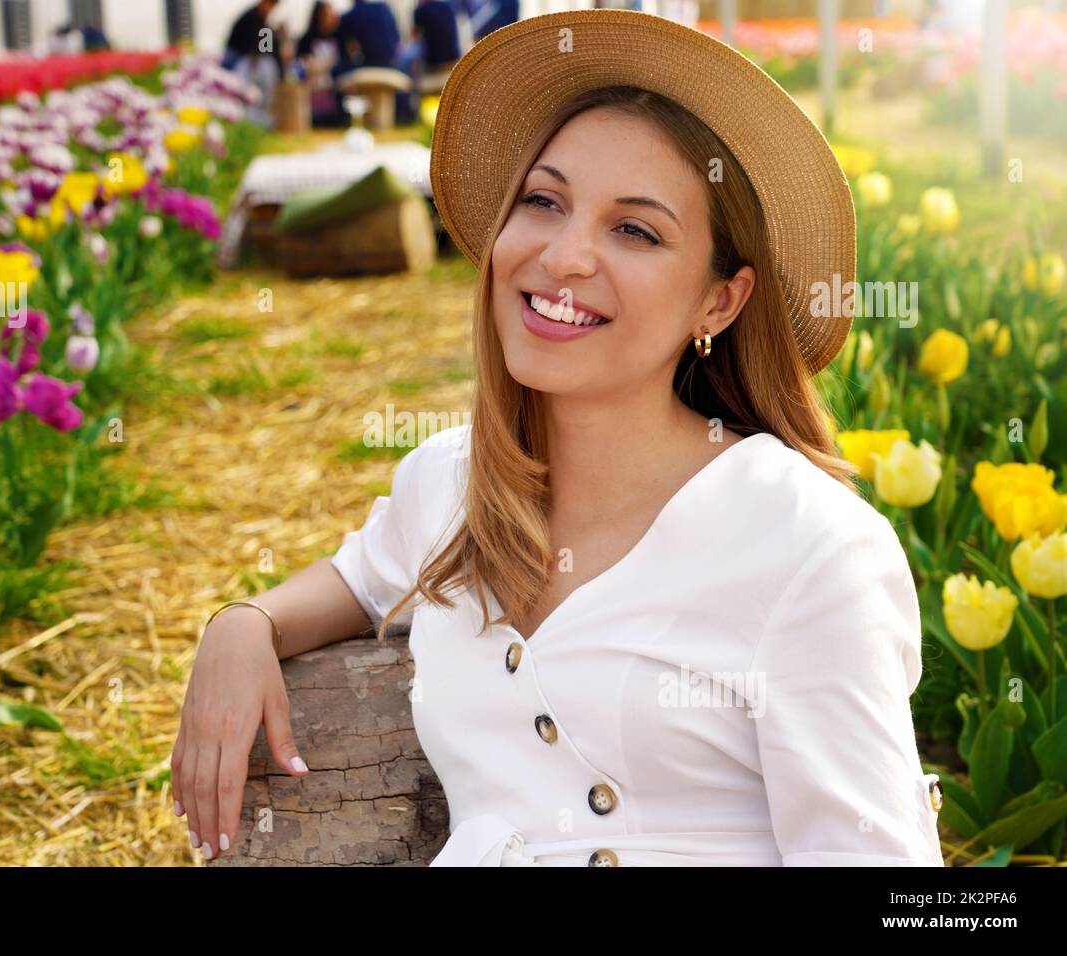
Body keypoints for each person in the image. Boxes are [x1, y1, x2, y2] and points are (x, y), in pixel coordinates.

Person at [171, 10, 946, 867]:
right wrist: (240, 625)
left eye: (635, 230)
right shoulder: (450, 485)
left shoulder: (805, 546)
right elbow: (359, 577)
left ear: (718, 303)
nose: (565, 255)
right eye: (544, 202)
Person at [223, 0, 288, 128]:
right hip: (239, 66)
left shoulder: (264, 24)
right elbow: (261, 49)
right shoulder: (250, 20)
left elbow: (270, 50)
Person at [295, 1, 348, 127]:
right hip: (313, 89)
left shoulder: (339, 38)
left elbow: (344, 62)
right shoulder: (307, 39)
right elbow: (301, 65)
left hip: (334, 89)